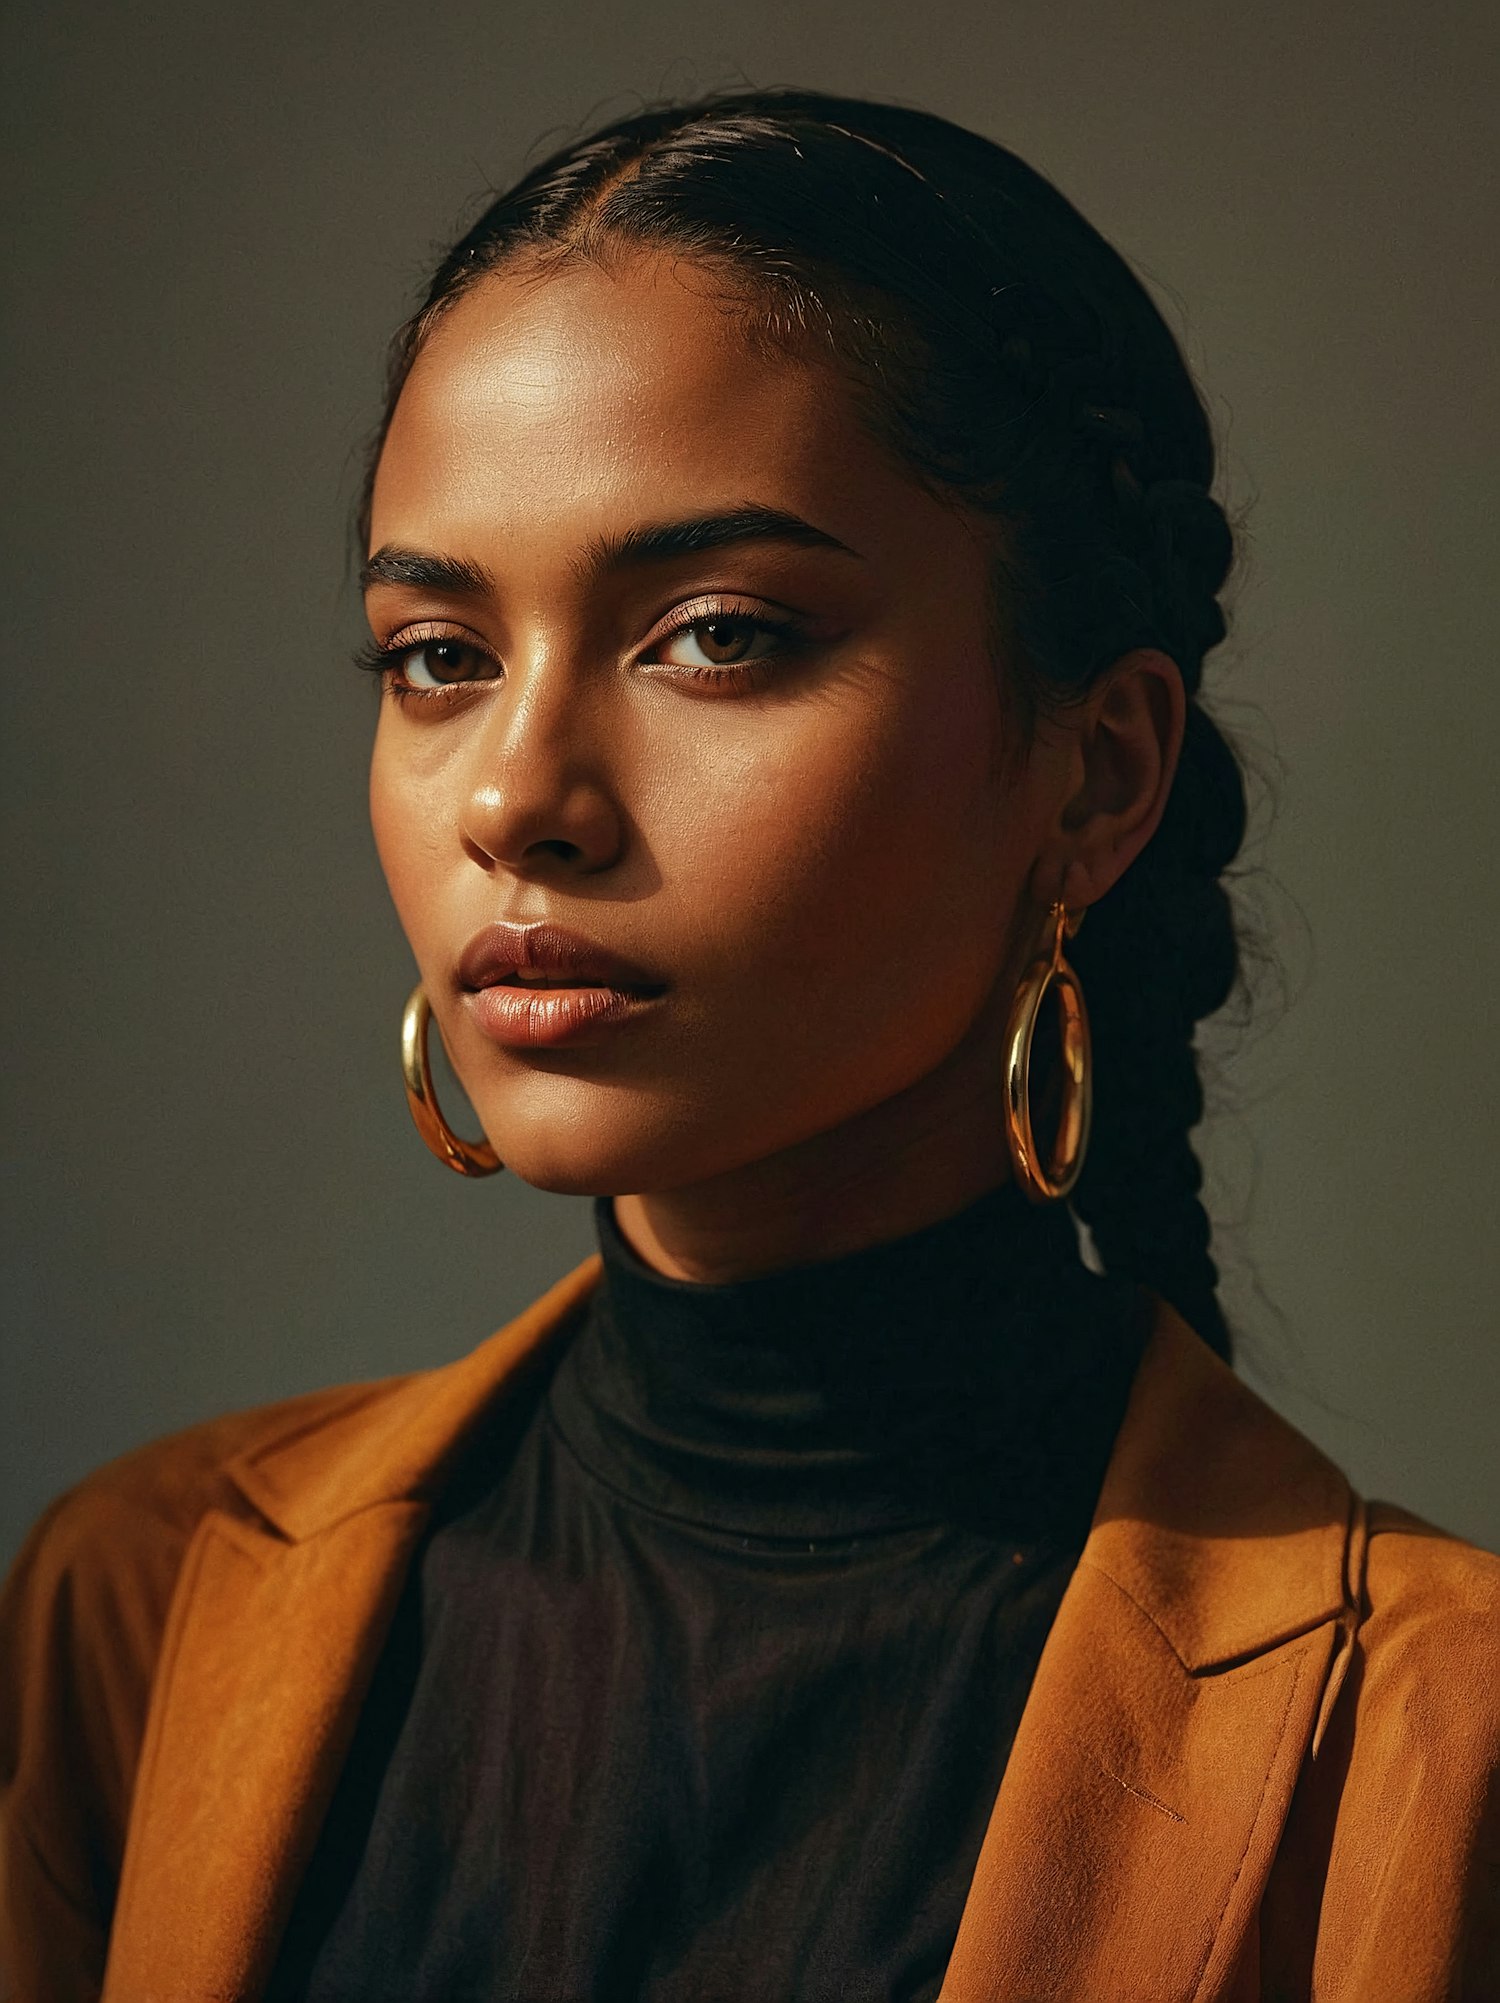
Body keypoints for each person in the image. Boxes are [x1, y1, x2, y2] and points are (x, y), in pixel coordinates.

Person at [1, 86, 1496, 2003]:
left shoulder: (1426, 1756)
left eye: (716, 634)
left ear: (1096, 769)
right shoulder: (139, 1613)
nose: (515, 797)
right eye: (437, 656)